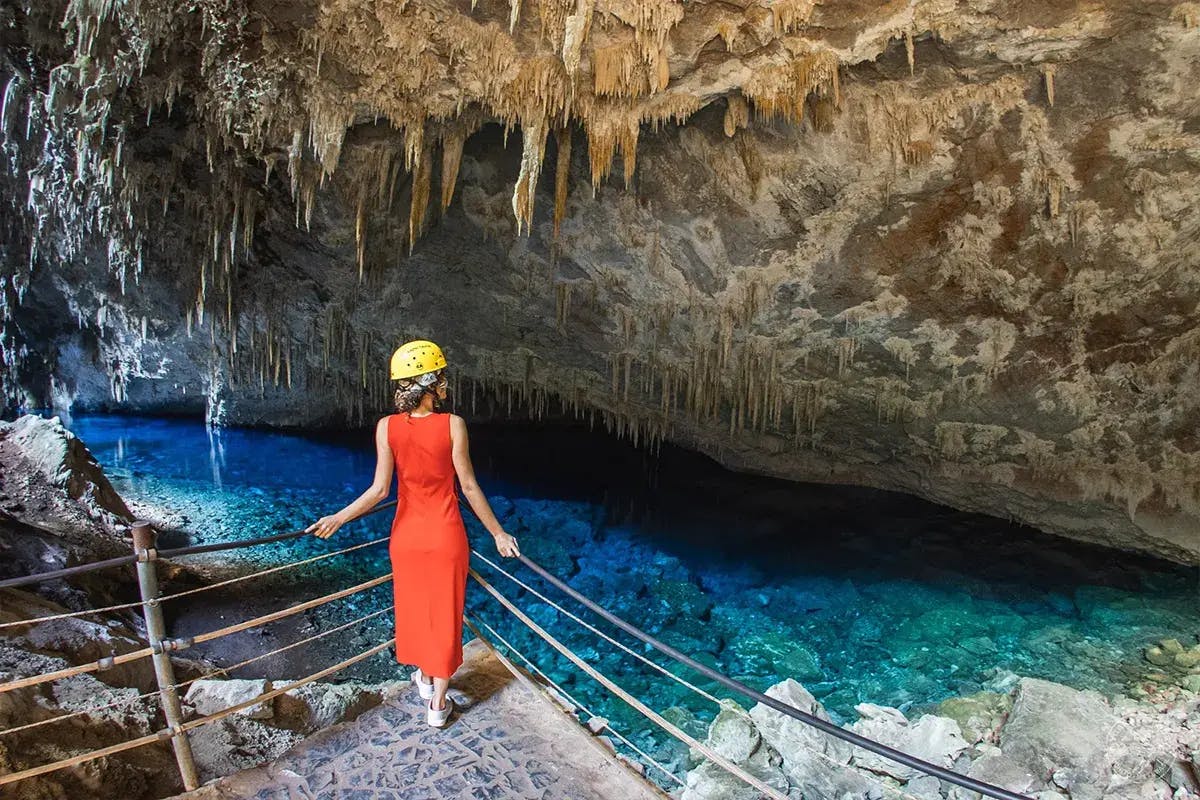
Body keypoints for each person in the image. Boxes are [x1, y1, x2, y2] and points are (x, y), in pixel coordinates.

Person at [305, 339, 519, 728]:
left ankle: (423, 676)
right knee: (445, 612)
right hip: (445, 536)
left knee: (417, 609)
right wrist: (498, 533)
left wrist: (339, 517)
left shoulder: (386, 427)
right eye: (443, 379)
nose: (447, 386)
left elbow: (379, 491)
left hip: (405, 537)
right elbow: (468, 487)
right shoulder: (453, 425)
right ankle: (438, 702)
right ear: (433, 384)